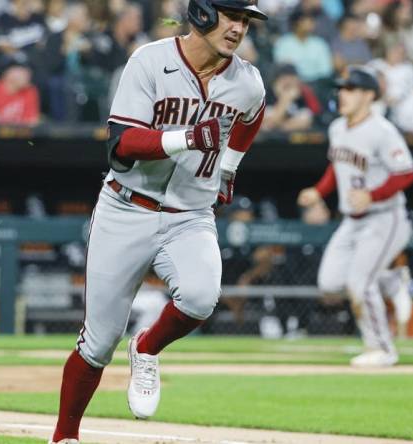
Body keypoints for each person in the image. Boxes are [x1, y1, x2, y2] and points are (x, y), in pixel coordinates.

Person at [50, 1, 267, 442]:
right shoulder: (150, 60)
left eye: (245, 20)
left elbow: (252, 114)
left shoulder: (247, 81)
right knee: (96, 343)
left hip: (190, 214)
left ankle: (147, 347)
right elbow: (121, 143)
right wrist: (188, 137)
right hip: (127, 208)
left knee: (202, 297)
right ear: (203, 12)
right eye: (231, 15)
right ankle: (65, 436)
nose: (239, 28)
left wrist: (228, 169)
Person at [297, 65, 413, 367]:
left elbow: (406, 174)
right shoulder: (337, 128)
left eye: (349, 89)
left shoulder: (383, 131)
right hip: (352, 219)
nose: (342, 94)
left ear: (368, 95)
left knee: (360, 284)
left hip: (385, 217)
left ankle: (382, 349)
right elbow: (336, 167)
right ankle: (391, 281)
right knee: (329, 284)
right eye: (341, 89)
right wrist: (319, 191)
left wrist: (372, 195)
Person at [272, 6, 333, 82]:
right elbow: (282, 68)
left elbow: (326, 71)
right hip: (292, 83)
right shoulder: (283, 43)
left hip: (317, 85)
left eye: (312, 21)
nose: (310, 24)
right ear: (295, 23)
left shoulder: (320, 44)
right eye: (306, 21)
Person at [0, 60, 40, 126]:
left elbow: (32, 121)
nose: (28, 75)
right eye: (22, 71)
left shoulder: (30, 91)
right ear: (9, 74)